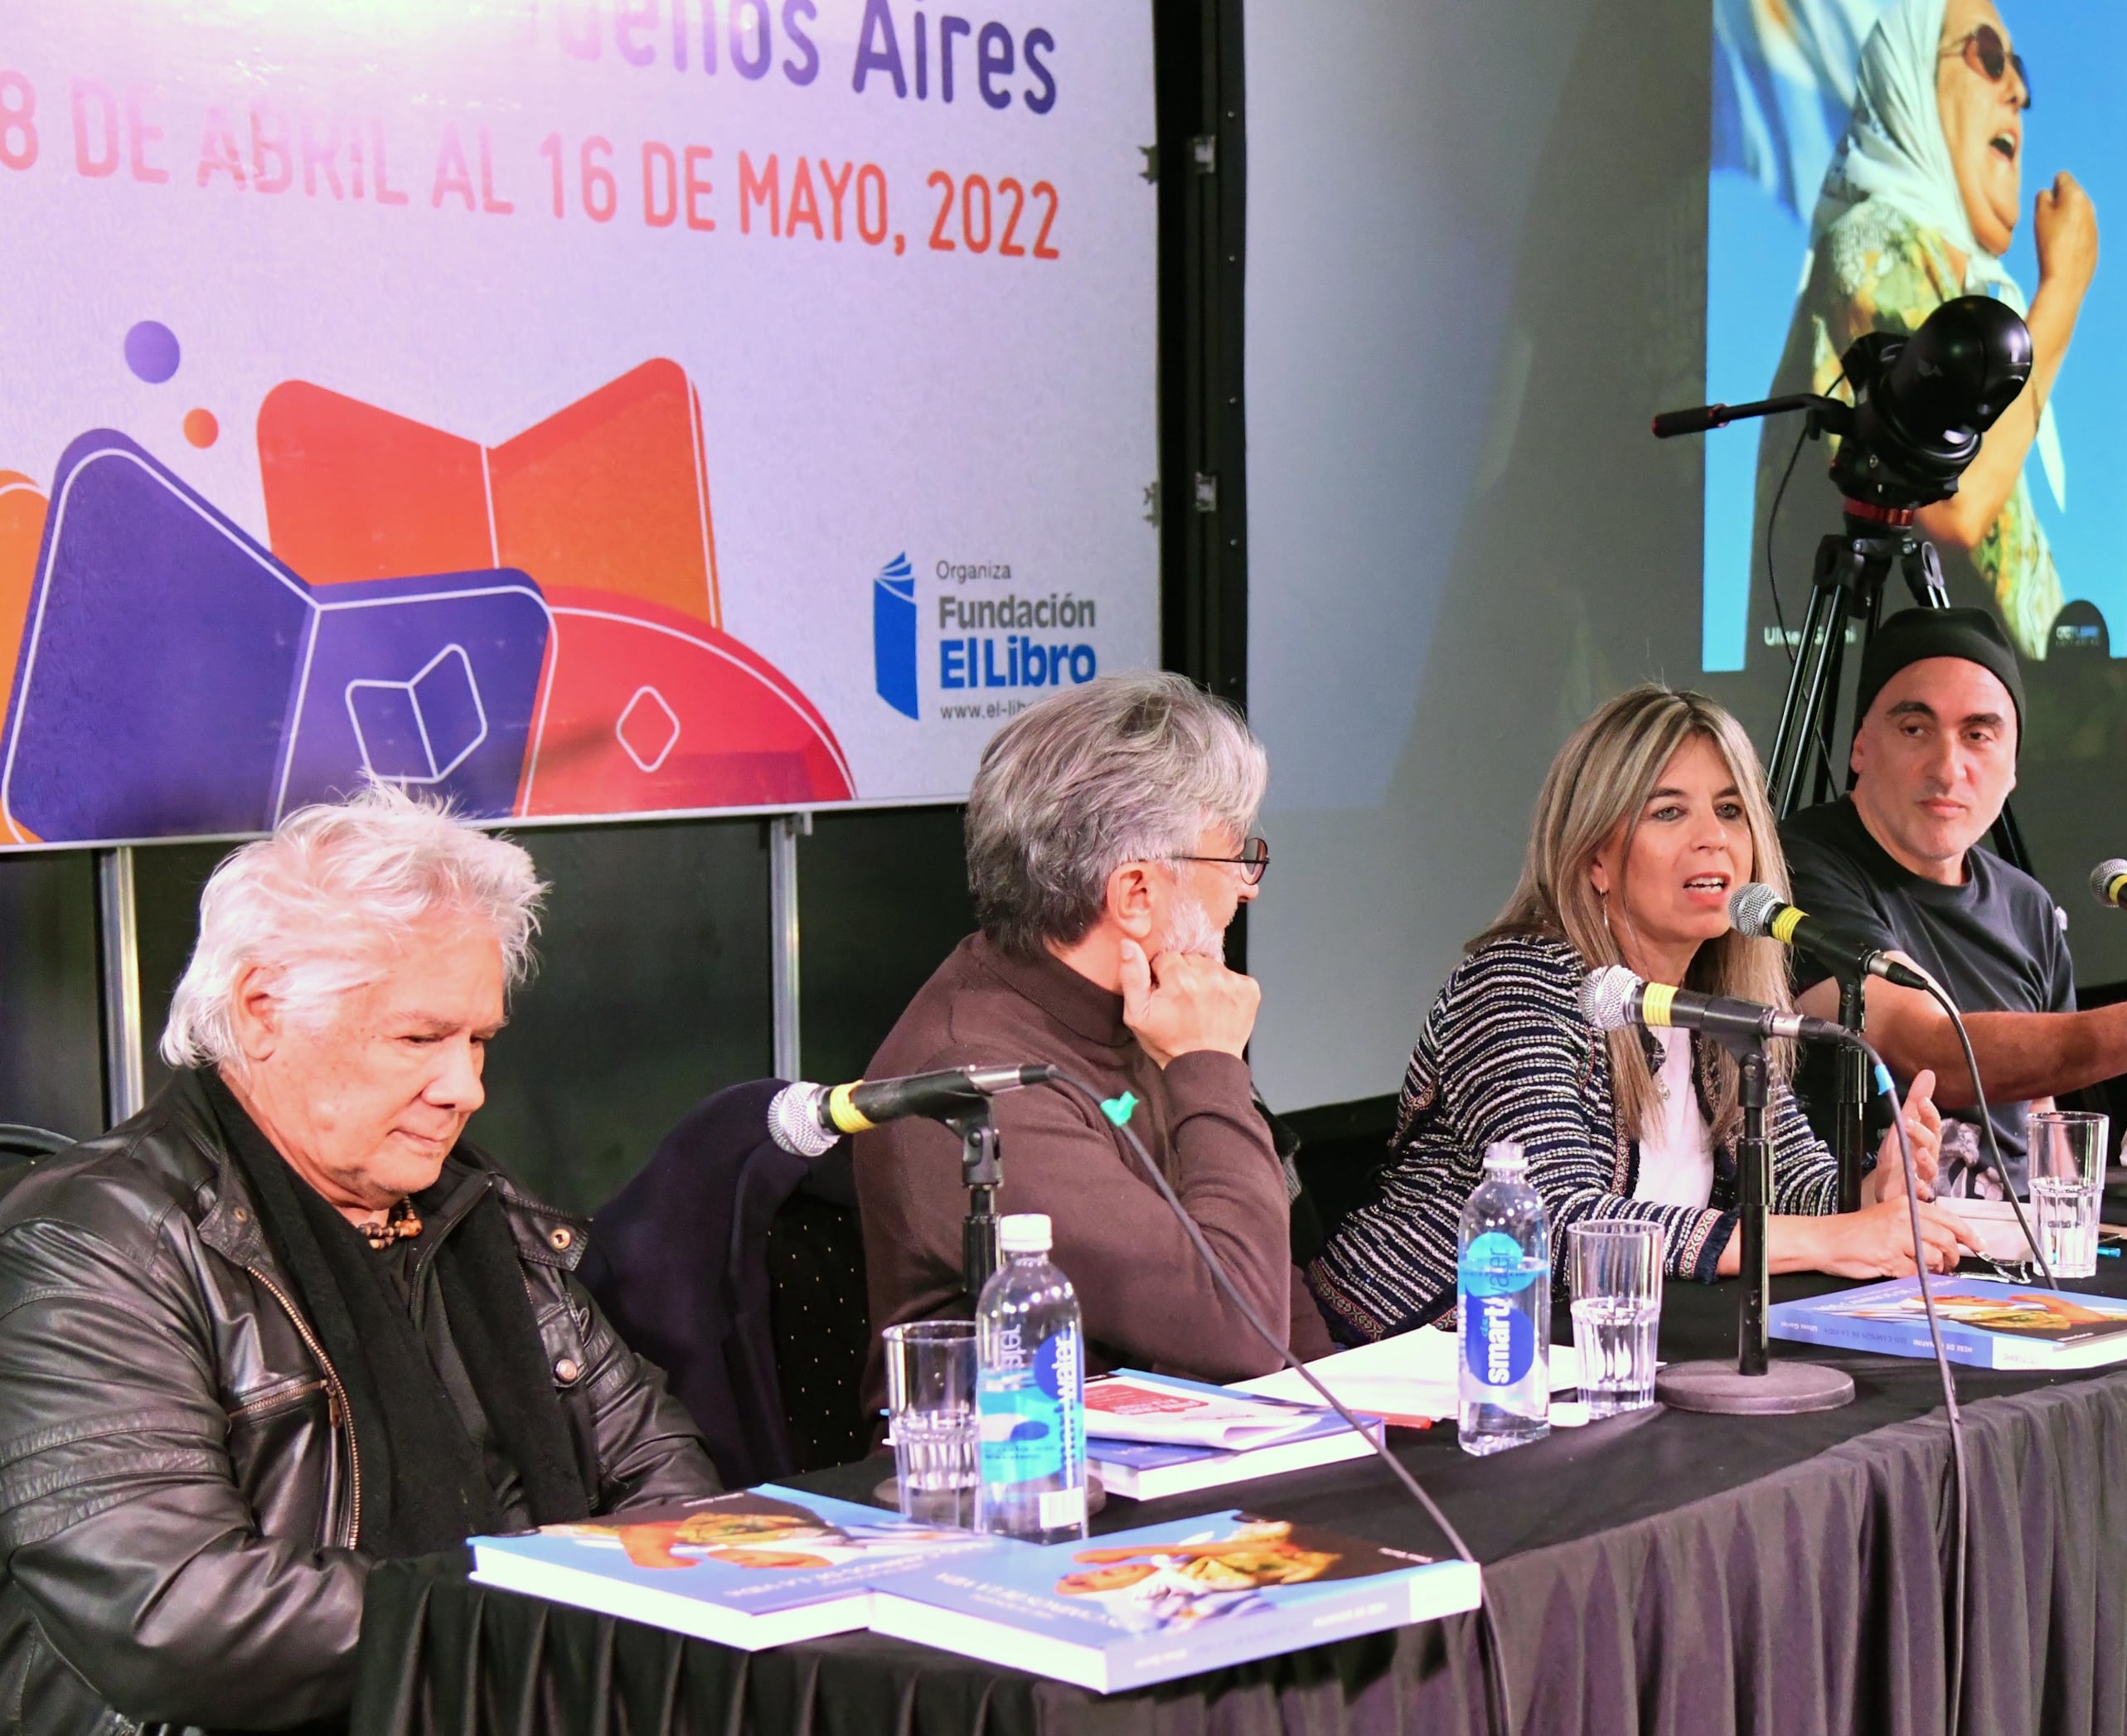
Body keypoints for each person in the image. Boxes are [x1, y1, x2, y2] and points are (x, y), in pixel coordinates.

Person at [0, 788, 716, 1734]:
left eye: (479, 1041)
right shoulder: (90, 1241)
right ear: (262, 1010)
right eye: (419, 1037)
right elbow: (173, 1616)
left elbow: (675, 1490)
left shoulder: (479, 1211)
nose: (464, 1088)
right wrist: (533, 1608)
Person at [1309, 686, 1975, 1345]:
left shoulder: (1724, 1011)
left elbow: (1793, 1188)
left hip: (1597, 1354)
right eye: (1668, 813)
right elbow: (1557, 1224)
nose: (1712, 839)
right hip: (1416, 1358)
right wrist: (1839, 1235)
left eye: (1730, 810)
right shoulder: (1516, 982)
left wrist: (1869, 1191)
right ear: (1596, 856)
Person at [856, 672, 1323, 1404]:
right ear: (1136, 894)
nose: (1247, 887)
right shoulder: (977, 1082)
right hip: (1035, 1486)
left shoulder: (1152, 1002)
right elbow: (1240, 1328)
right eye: (1234, 858)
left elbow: (1283, 1303)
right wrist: (1208, 1066)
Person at [1781, 607, 2127, 1194]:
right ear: (1860, 748)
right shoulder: (1803, 865)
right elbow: (1933, 1049)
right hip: (1874, 1258)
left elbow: (2039, 1124)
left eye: (1979, 735)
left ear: (2013, 768)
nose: (1949, 768)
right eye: (1914, 730)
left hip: (2011, 1255)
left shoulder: (2025, 904)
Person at [1752, 0, 2098, 657]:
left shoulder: (1947, 279)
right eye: (1989, 57)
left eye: (2020, 72)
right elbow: (1953, 506)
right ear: (1908, 82)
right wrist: (2062, 287)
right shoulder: (1874, 241)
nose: (2019, 92)